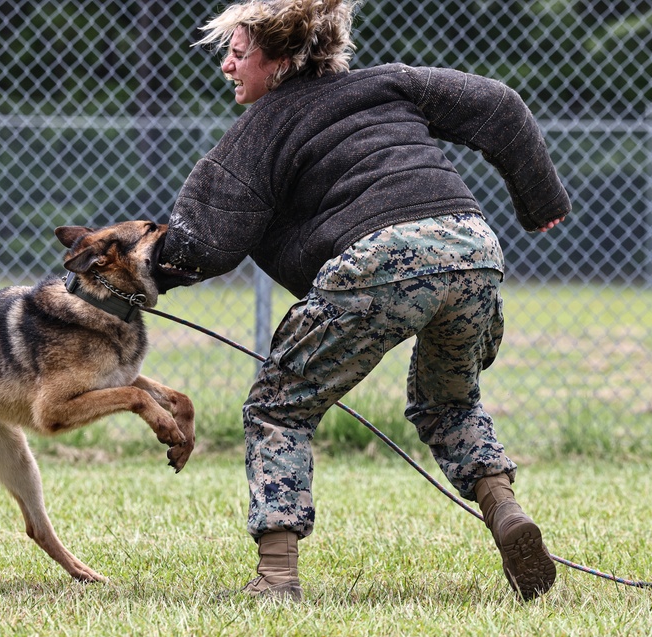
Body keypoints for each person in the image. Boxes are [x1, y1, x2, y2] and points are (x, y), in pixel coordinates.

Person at [154, 0, 570, 602]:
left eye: (239, 52)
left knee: (279, 408)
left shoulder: (261, 128)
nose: (225, 65)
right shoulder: (391, 83)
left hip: (382, 254)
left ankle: (275, 578)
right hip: (472, 244)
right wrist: (541, 204)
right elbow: (500, 106)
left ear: (283, 60)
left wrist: (134, 281)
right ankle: (504, 509)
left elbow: (203, 243)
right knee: (450, 402)